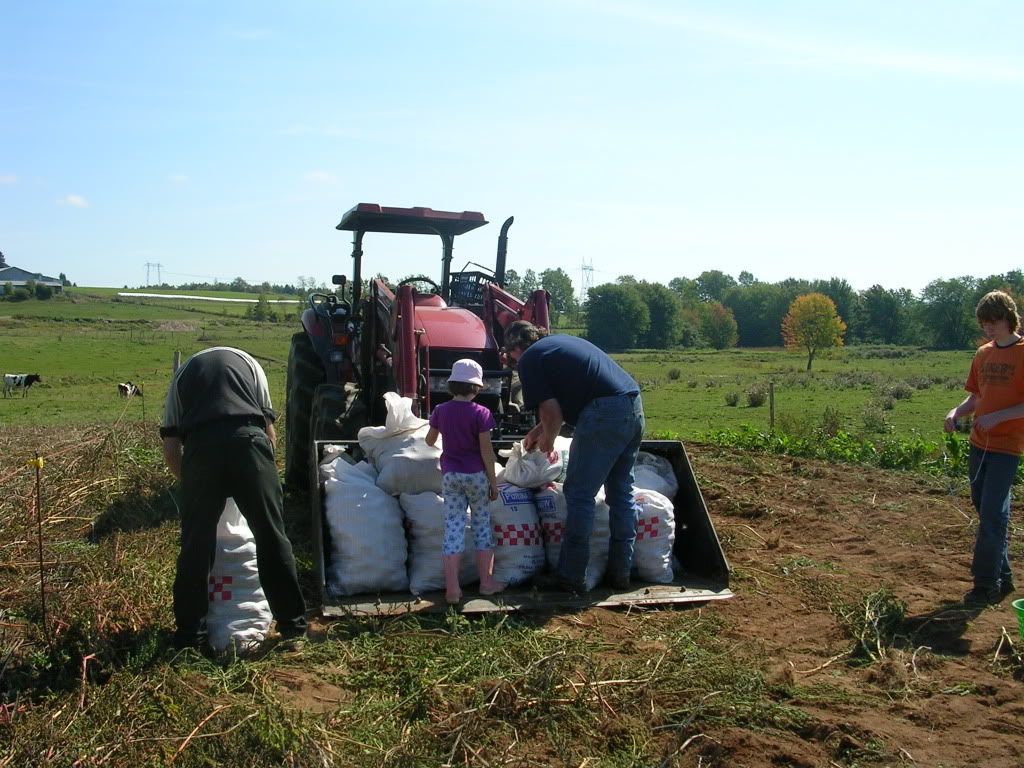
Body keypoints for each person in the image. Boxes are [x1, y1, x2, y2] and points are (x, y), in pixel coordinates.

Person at [160, 346, 307, 650]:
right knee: (271, 535)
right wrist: (260, 474)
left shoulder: (181, 376)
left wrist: (192, 484)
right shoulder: (252, 364)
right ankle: (293, 630)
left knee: (195, 546)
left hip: (201, 452)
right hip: (250, 444)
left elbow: (171, 447)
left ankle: (190, 638)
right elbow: (270, 434)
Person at [503, 320, 645, 593]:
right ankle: (621, 573)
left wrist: (548, 439)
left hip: (604, 414)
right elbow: (566, 402)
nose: (512, 361)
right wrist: (537, 431)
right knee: (621, 494)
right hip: (633, 408)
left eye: (510, 355)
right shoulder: (556, 347)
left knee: (579, 494)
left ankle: (571, 576)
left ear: (516, 348)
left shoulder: (530, 359)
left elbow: (553, 414)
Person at [944, 290, 1024, 607]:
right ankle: (1003, 578)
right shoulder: (983, 354)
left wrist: (999, 417)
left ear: (1008, 318)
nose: (988, 329)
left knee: (993, 514)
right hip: (979, 445)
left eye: (993, 322)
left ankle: (985, 585)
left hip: (1007, 448)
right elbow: (976, 397)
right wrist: (956, 412)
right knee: (986, 509)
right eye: (984, 324)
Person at [425, 359, 504, 604]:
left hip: (450, 475)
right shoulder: (481, 413)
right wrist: (493, 482)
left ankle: (452, 590)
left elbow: (429, 441)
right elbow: (486, 452)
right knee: (481, 526)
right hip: (476, 476)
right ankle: (487, 584)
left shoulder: (440, 410)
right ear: (477, 387)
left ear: (451, 384)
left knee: (454, 527)